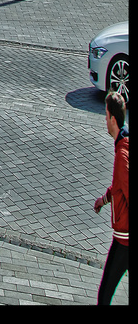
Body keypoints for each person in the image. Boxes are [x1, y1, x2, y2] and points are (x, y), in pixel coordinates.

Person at [93, 90, 128, 305]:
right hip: (123, 236)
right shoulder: (123, 145)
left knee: (104, 294)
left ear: (113, 119)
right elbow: (118, 187)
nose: (105, 121)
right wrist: (103, 200)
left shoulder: (122, 154)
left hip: (125, 239)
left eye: (105, 116)